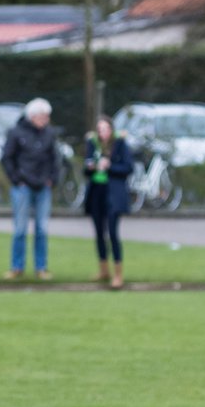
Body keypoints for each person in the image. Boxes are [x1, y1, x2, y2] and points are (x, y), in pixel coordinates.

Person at [0, 98, 61, 280]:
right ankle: (16, 267)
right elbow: (7, 158)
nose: (46, 120)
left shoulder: (49, 134)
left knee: (42, 229)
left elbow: (55, 159)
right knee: (20, 229)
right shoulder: (16, 133)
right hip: (23, 187)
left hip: (43, 187)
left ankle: (41, 267)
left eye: (47, 117)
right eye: (43, 116)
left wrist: (52, 179)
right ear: (33, 116)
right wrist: (16, 180)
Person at [82, 116, 133, 289]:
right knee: (98, 231)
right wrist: (90, 167)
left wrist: (109, 166)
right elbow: (86, 167)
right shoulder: (92, 143)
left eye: (105, 129)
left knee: (112, 232)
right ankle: (103, 269)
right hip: (97, 191)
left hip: (113, 193)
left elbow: (128, 168)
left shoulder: (120, 144)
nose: (102, 132)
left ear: (111, 130)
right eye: (99, 129)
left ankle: (118, 273)